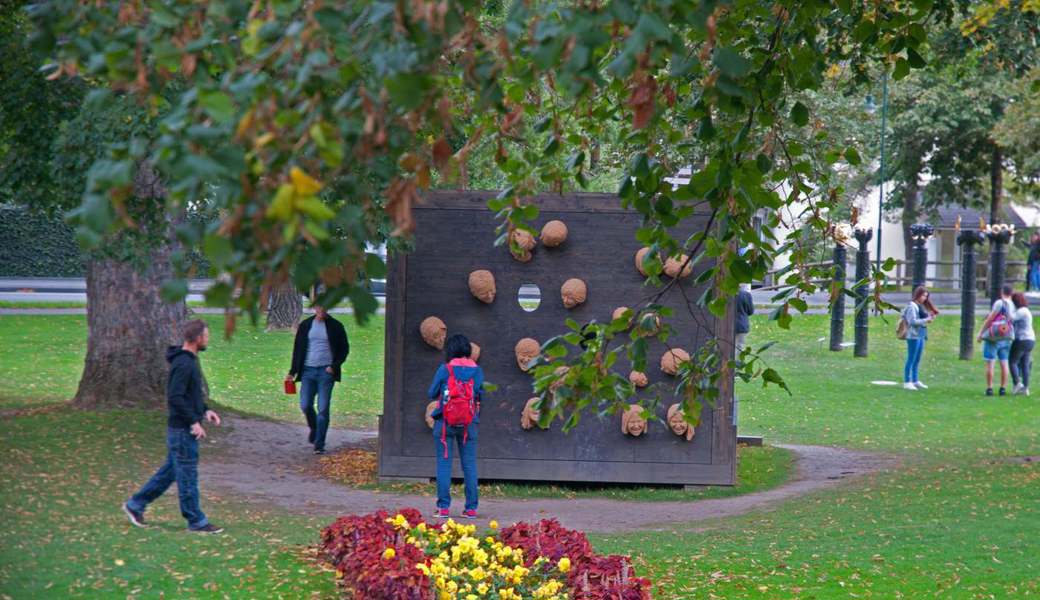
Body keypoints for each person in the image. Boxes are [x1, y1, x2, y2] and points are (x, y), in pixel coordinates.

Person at [122, 320, 223, 533]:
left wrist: (205, 411)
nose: (207, 339)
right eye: (206, 336)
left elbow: (190, 395)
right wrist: (193, 422)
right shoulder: (184, 364)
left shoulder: (189, 361)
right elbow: (175, 397)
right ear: (197, 339)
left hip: (181, 429)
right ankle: (196, 520)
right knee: (187, 476)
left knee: (169, 473)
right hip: (182, 430)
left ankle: (135, 505)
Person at [427, 334, 484, 519]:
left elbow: (431, 393)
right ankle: (471, 509)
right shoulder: (477, 371)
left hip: (445, 423)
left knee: (444, 464)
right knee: (469, 465)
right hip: (469, 425)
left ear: (450, 350)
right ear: (468, 350)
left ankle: (443, 508)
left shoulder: (445, 369)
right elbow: (480, 394)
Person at [289, 303, 350, 454]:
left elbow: (344, 349)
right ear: (315, 308)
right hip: (308, 371)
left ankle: (319, 444)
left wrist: (334, 366)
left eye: (324, 308)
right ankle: (314, 428)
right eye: (319, 308)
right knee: (305, 405)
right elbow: (298, 349)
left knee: (323, 409)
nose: (322, 311)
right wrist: (292, 371)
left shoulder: (336, 326)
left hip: (326, 372)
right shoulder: (306, 325)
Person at [978, 284, 1016, 396]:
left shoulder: (1000, 303)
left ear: (1002, 292)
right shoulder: (1013, 304)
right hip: (1007, 336)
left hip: (993, 337)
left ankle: (989, 388)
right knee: (1004, 363)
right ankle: (1002, 388)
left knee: (990, 363)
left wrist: (980, 333)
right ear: (1011, 293)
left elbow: (990, 319)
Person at [902, 286, 937, 391]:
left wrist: (929, 317)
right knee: (911, 358)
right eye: (923, 295)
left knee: (917, 359)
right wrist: (926, 319)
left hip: (921, 335)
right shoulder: (912, 306)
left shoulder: (920, 306)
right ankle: (907, 381)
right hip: (913, 335)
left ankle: (915, 380)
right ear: (917, 295)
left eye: (926, 296)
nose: (924, 298)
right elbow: (912, 321)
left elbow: (921, 318)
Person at [1009, 291, 1035, 396]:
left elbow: (1011, 318)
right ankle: (1025, 388)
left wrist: (1008, 308)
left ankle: (1017, 383)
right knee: (1025, 364)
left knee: (1012, 361)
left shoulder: (1021, 311)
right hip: (1030, 340)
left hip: (1022, 339)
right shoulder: (1026, 310)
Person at [735, 283, 755, 353]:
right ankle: (738, 363)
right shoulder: (746, 295)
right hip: (742, 324)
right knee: (740, 347)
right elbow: (751, 311)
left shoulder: (727, 294)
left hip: (728, 325)